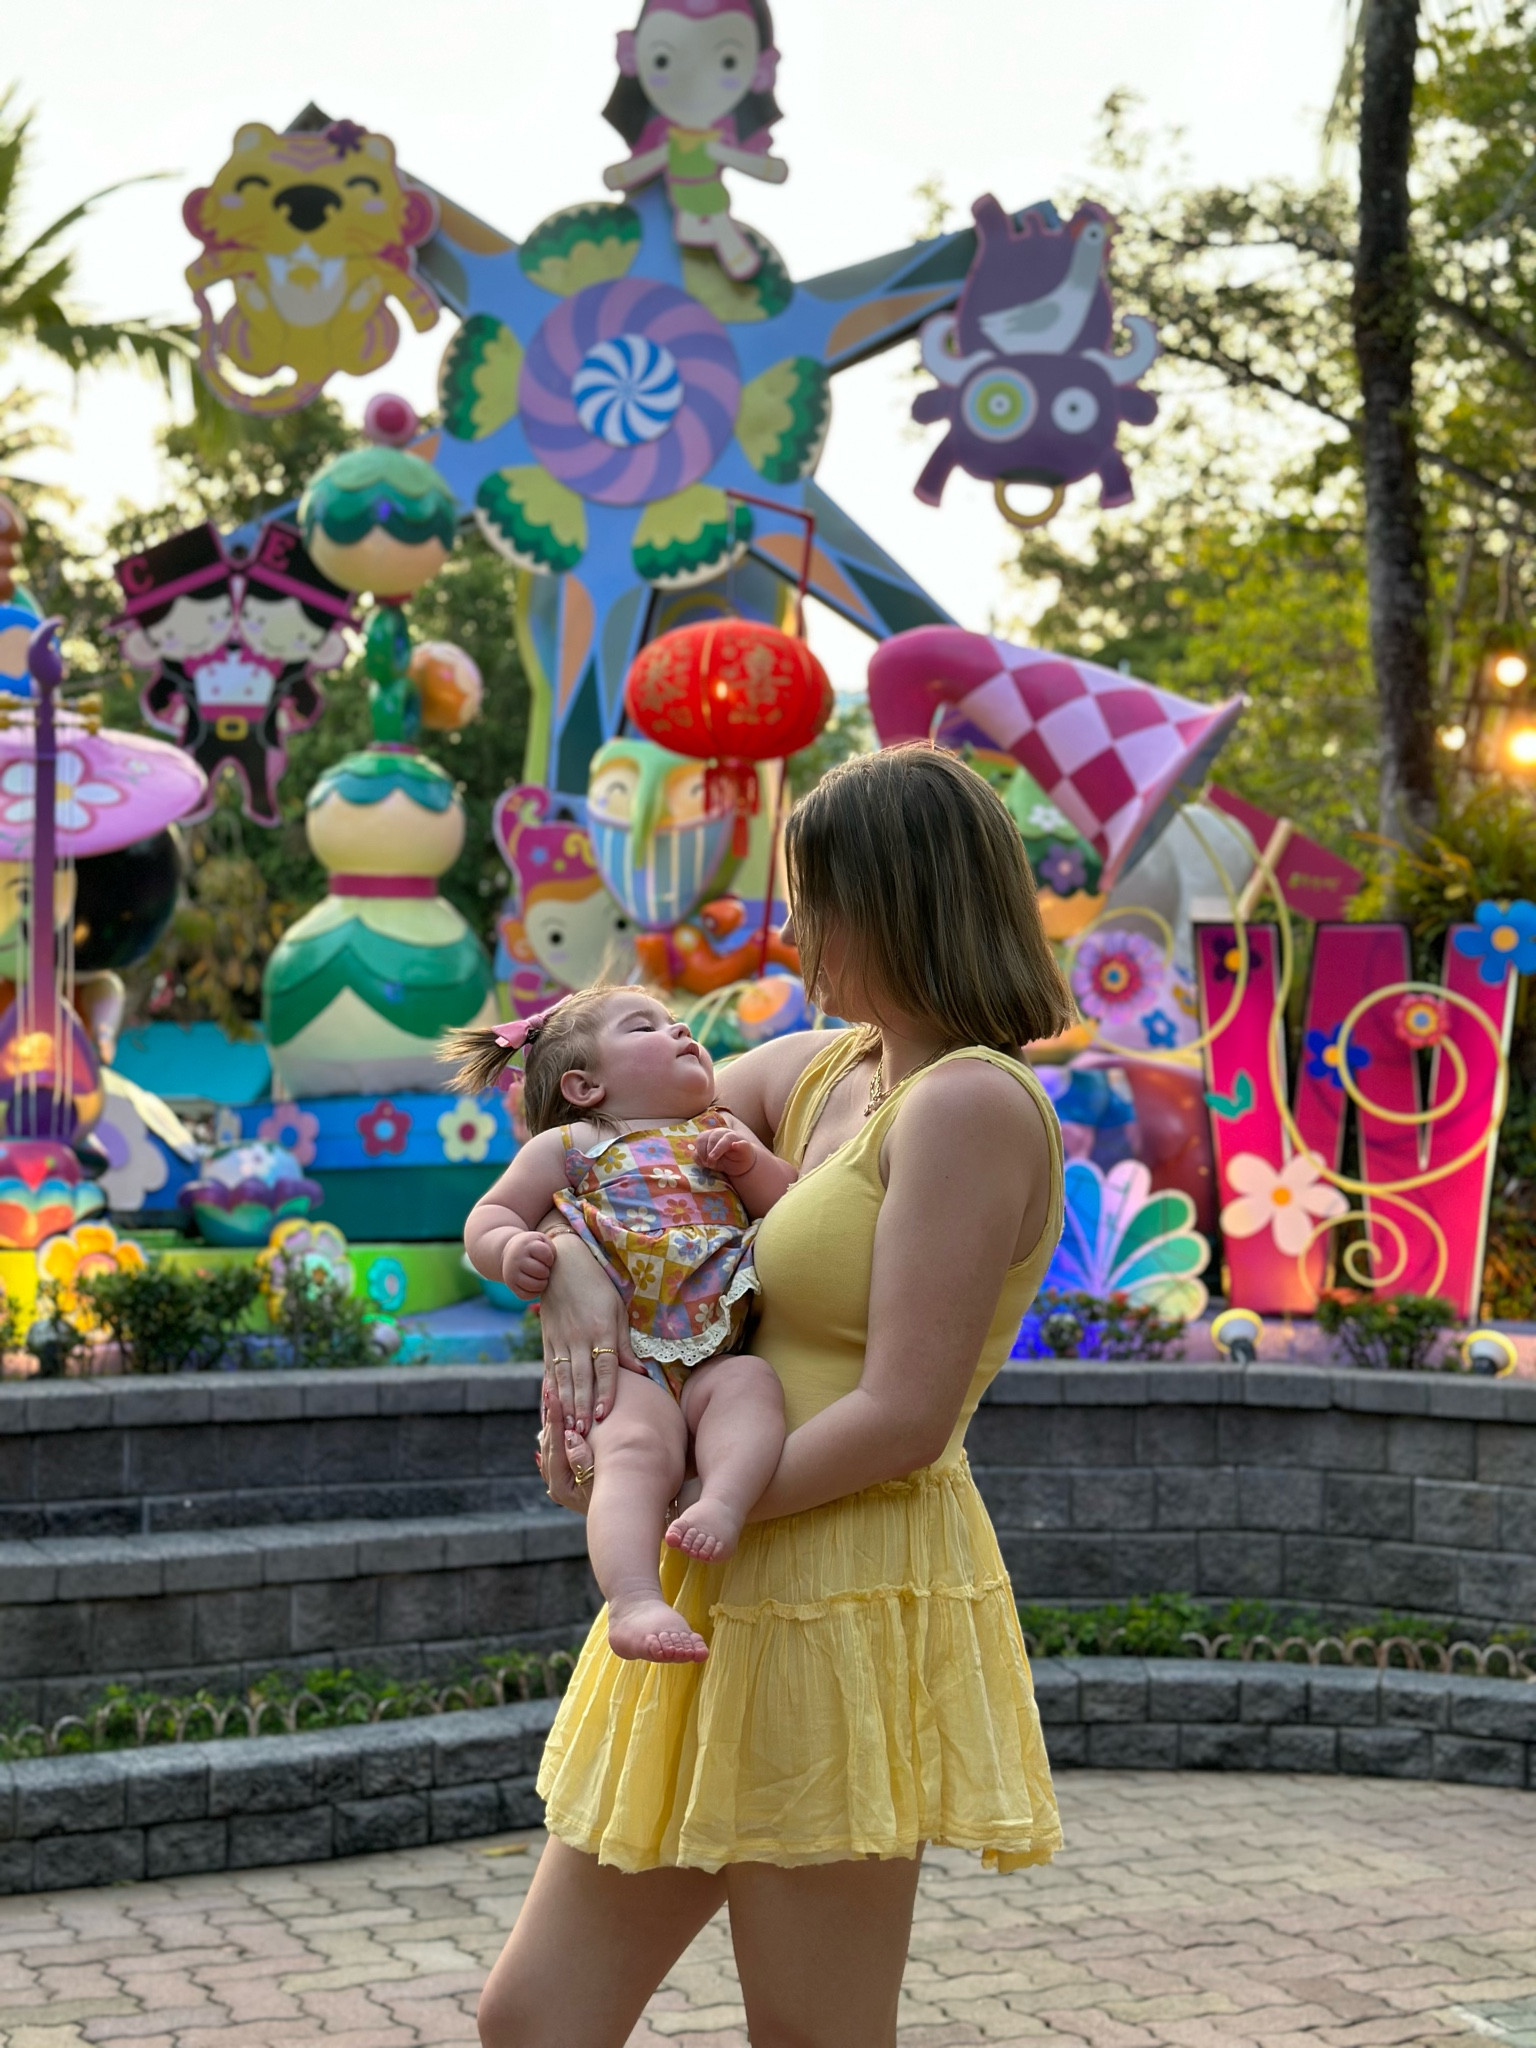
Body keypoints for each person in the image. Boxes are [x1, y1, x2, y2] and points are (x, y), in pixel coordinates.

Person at [478, 745, 1073, 2048]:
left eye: (807, 896)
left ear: (891, 899)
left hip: (836, 1577)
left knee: (812, 2038)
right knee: (535, 2021)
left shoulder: (968, 1103)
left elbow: (904, 1414)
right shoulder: (825, 1072)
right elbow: (600, 1140)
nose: (785, 927)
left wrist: (684, 1492)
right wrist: (569, 1279)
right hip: (722, 1573)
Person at [450, 988, 795, 1662]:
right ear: (584, 1085)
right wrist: (513, 1251)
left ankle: (722, 1503)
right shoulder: (570, 1147)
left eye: (677, 1022)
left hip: (715, 1350)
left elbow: (787, 1202)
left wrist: (750, 1166)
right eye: (647, 1027)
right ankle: (634, 1597)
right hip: (628, 1361)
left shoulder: (719, 1126)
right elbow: (487, 1218)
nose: (681, 1029)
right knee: (633, 1453)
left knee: (752, 1386)